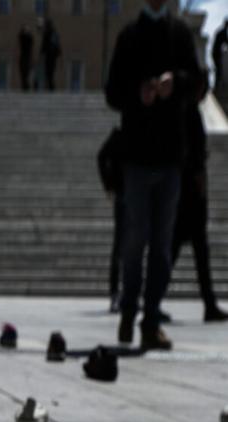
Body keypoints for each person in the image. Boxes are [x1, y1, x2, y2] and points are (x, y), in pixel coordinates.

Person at [105, 0, 202, 350]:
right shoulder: (129, 36)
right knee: (134, 241)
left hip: (170, 158)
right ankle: (129, 311)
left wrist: (175, 83)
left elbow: (198, 84)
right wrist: (139, 92)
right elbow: (112, 92)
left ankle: (151, 319)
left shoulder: (179, 34)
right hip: (136, 157)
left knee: (162, 246)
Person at [170, 74, 228, 323]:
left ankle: (208, 302)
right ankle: (207, 303)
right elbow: (191, 153)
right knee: (188, 251)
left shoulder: (186, 110)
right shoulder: (190, 112)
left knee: (180, 251)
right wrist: (197, 176)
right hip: (190, 195)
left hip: (186, 194)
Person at [97, 127, 124, 312]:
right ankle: (115, 293)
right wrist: (109, 185)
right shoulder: (119, 134)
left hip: (139, 194)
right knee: (121, 245)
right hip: (124, 194)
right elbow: (101, 157)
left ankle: (128, 293)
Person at [40, 18, 61, 91]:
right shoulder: (53, 33)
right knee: (50, 71)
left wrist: (42, 52)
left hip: (50, 55)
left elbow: (44, 44)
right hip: (52, 55)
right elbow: (57, 44)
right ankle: (51, 86)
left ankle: (51, 86)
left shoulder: (49, 33)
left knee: (49, 71)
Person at [18, 25, 34, 92]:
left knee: (26, 72)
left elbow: (31, 42)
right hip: (23, 56)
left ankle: (26, 86)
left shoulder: (29, 38)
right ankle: (25, 86)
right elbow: (20, 36)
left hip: (27, 56)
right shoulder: (22, 37)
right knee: (23, 71)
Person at [213, 18, 228, 88]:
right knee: (218, 69)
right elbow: (226, 41)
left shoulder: (222, 31)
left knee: (218, 68)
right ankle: (218, 85)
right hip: (216, 53)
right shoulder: (222, 32)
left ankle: (218, 84)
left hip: (216, 53)